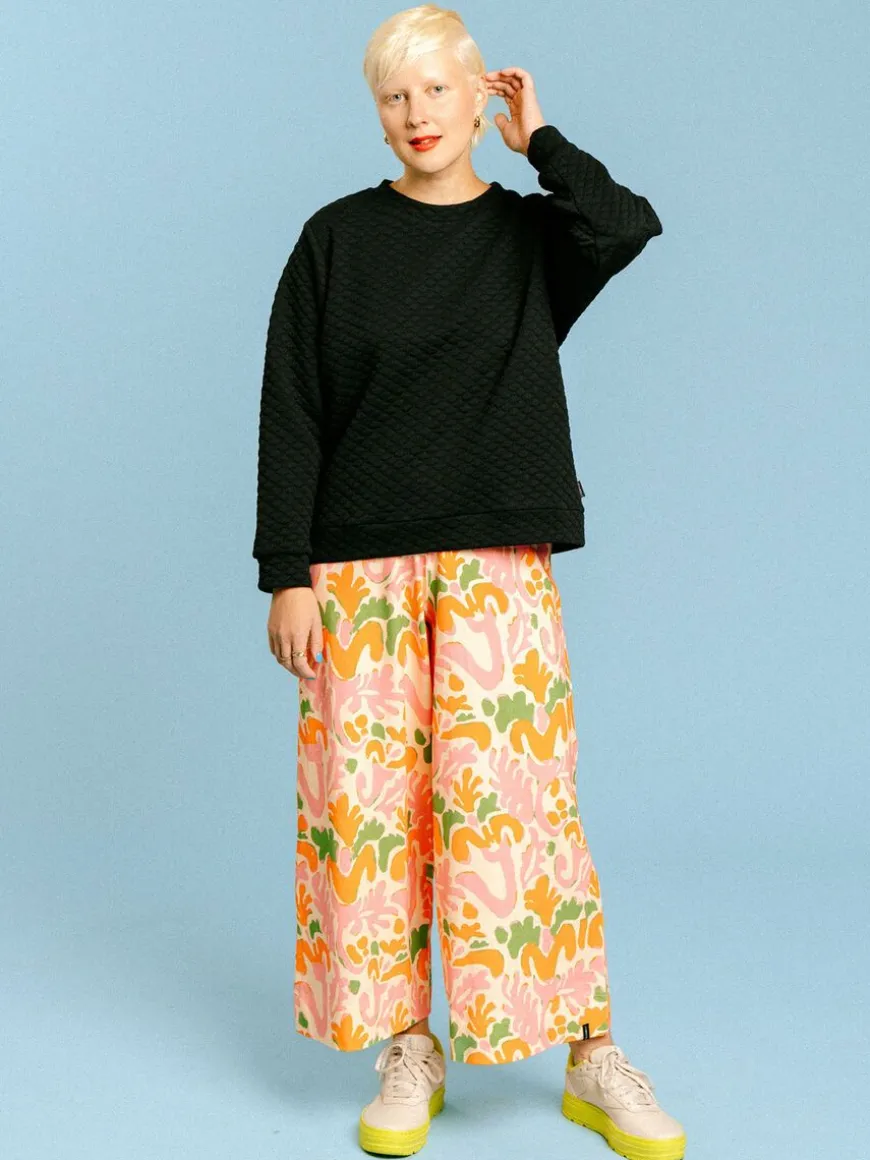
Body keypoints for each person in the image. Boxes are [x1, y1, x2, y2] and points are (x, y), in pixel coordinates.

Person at [252, 5, 682, 1158]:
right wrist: (286, 571)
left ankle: (589, 1051)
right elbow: (292, 408)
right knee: (371, 813)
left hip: (497, 560)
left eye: (438, 90)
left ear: (479, 96)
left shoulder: (531, 239)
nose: (417, 115)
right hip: (357, 569)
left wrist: (542, 141)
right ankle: (409, 1043)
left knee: (520, 809)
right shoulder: (336, 240)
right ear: (377, 112)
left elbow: (626, 222)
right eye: (394, 96)